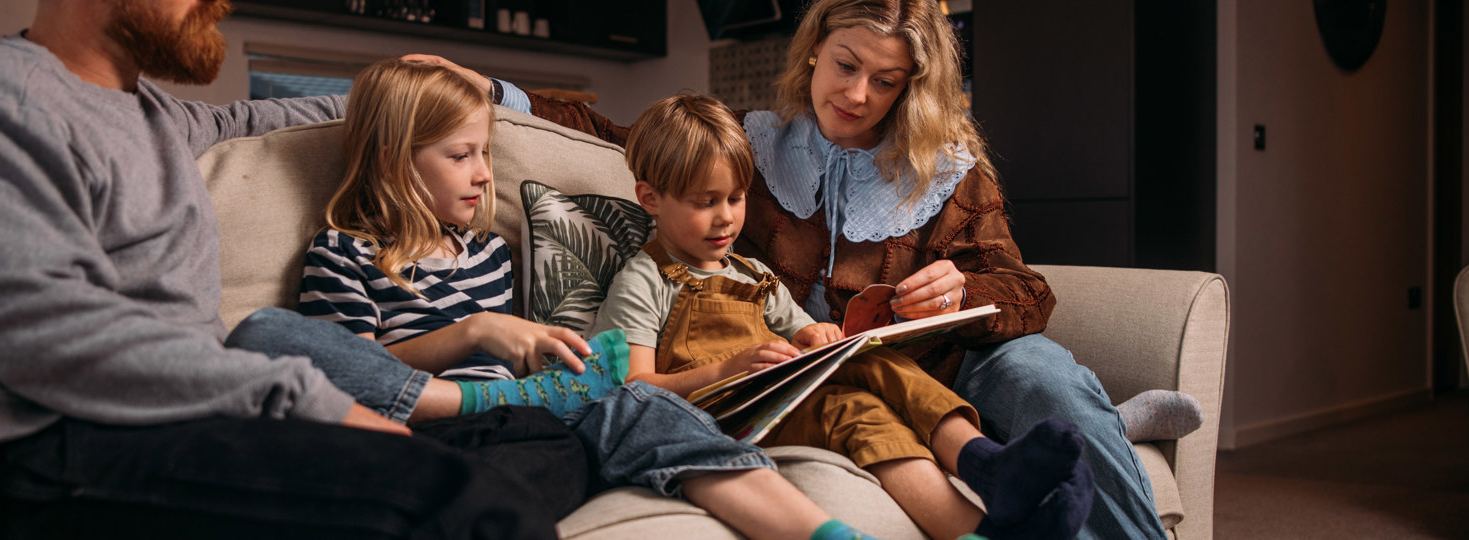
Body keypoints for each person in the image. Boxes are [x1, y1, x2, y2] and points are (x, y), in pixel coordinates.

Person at [406, 0, 1204, 537]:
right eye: (844, 65)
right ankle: (1109, 421)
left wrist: (967, 288)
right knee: (1055, 409)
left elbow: (1027, 290)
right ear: (815, 47)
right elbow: (619, 133)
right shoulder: (752, 145)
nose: (855, 94)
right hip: (801, 374)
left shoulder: (950, 171)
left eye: (885, 81)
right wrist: (493, 89)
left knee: (1046, 379)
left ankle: (1055, 435)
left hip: (943, 369)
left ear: (911, 87)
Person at [0, 1, 575, 537]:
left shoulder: (149, 113)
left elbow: (291, 118)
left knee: (541, 442)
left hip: (181, 425)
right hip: (54, 459)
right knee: (471, 503)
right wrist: (326, 408)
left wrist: (474, 93)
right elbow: (62, 346)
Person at [280, 57, 887, 540]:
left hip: (525, 417)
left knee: (635, 411)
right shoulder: (343, 255)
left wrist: (554, 356)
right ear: (393, 164)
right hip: (433, 427)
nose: (485, 174)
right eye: (461, 156)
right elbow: (353, 378)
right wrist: (474, 332)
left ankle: (822, 531)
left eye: (485, 153)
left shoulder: (489, 253)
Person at [590, 92, 1094, 539]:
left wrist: (821, 334)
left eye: (736, 198)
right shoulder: (646, 278)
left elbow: (801, 329)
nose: (726, 217)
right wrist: (728, 370)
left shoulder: (752, 272)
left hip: (780, 394)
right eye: (706, 202)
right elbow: (633, 389)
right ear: (650, 198)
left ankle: (984, 465)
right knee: (849, 411)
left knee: (873, 363)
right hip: (725, 416)